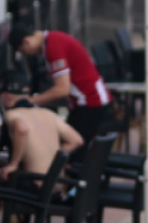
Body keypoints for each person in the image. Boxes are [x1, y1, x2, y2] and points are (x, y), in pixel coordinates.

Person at [0, 71, 83, 223]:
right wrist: (55, 158)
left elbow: (22, 129)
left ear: (7, 96)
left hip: (35, 188)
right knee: (5, 178)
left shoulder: (12, 114)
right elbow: (76, 140)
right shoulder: (47, 113)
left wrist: (14, 163)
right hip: (55, 188)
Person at [8, 21, 113, 154]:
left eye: (23, 52)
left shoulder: (53, 47)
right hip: (86, 101)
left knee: (71, 149)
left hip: (89, 101)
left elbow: (62, 89)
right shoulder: (52, 40)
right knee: (70, 145)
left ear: (26, 42)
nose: (28, 55)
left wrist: (32, 101)